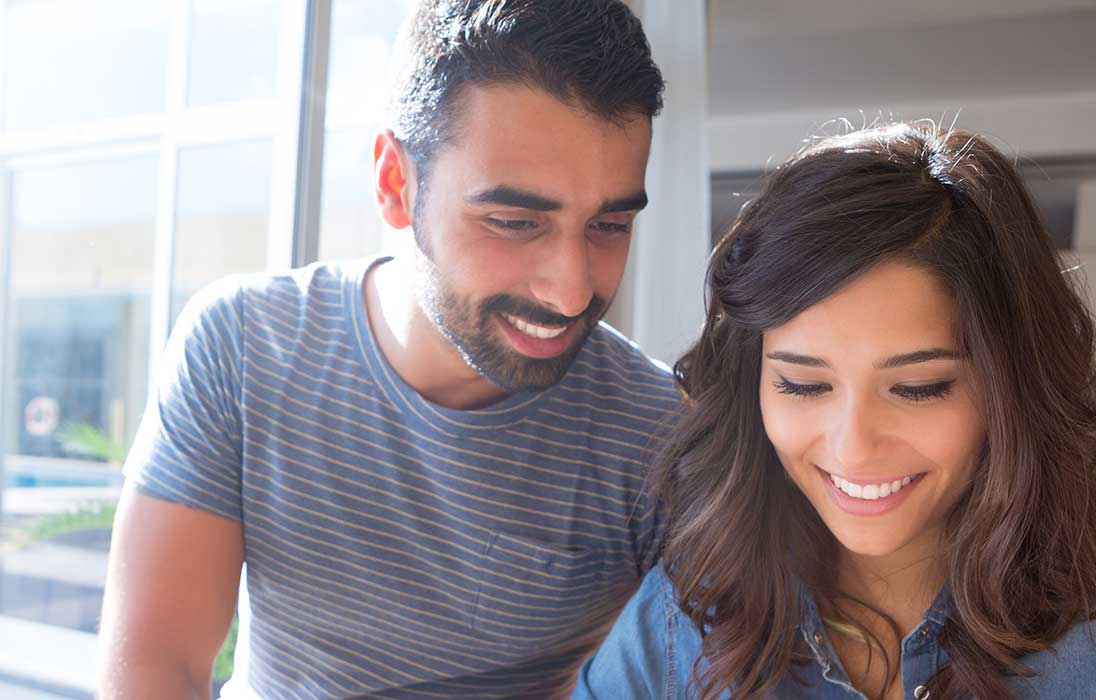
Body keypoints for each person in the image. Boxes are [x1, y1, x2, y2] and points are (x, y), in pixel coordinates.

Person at [97, 1, 681, 698]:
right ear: (395, 183)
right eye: (515, 222)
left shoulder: (658, 432)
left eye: (609, 225)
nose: (570, 290)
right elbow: (158, 667)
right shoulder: (245, 345)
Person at [573, 123, 1096, 700]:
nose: (852, 448)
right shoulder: (687, 610)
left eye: (920, 387)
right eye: (801, 385)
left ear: (1011, 386)